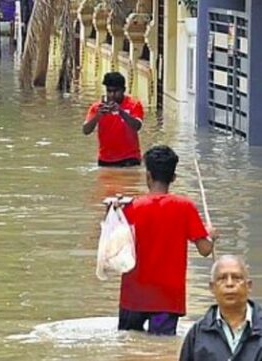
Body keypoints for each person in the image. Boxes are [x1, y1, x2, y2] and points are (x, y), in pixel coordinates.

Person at [116, 145, 217, 335]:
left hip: (134, 296)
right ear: (173, 178)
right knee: (161, 348)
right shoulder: (185, 207)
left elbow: (113, 249)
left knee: (128, 347)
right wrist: (210, 235)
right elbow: (205, 249)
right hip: (168, 298)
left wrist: (113, 213)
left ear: (148, 176)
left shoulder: (130, 207)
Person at [180, 255, 262, 360]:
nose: (229, 284)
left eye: (236, 278)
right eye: (222, 278)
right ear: (212, 288)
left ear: (249, 286)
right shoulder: (197, 334)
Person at [82, 72, 144, 167]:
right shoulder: (97, 107)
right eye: (109, 91)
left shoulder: (134, 105)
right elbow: (86, 131)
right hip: (105, 160)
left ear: (123, 90)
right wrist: (98, 115)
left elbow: (137, 126)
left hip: (130, 159)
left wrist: (121, 111)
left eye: (115, 91)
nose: (112, 95)